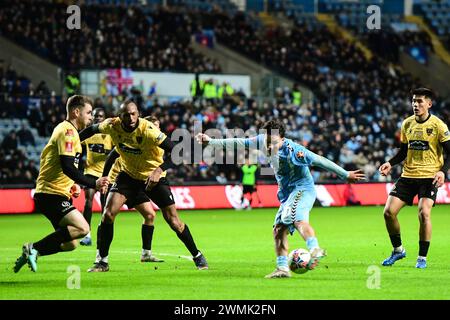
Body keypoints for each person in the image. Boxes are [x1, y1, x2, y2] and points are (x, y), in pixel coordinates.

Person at [196, 119, 365, 278]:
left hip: (302, 188)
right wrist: (211, 141)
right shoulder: (262, 140)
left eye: (274, 142)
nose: (269, 145)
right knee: (278, 229)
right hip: (286, 193)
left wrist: (345, 174)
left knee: (297, 218)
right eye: (268, 141)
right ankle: (283, 268)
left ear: (282, 139)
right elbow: (238, 142)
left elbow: (319, 160)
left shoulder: (294, 151)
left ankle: (315, 249)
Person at [79, 100, 208, 272]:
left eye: (133, 113)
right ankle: (102, 261)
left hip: (153, 178)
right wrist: (71, 139)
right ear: (119, 116)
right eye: (126, 114)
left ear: (138, 113)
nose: (131, 118)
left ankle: (197, 255)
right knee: (108, 213)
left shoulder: (149, 131)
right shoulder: (111, 125)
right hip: (128, 176)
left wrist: (159, 170)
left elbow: (178, 151)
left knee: (173, 221)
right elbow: (90, 132)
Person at [13, 95, 109, 273]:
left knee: (70, 243)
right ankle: (33, 248)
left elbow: (62, 165)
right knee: (82, 227)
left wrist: (72, 184)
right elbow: (67, 166)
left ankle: (33, 252)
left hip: (57, 192)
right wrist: (93, 182)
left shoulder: (70, 132)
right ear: (76, 112)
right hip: (50, 193)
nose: (90, 116)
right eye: (88, 113)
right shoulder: (68, 132)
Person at [379, 88, 450, 269]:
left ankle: (422, 258)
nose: (415, 105)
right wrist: (390, 163)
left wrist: (443, 171)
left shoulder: (438, 126)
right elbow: (404, 151)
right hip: (408, 175)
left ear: (429, 104)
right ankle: (398, 250)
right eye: (413, 101)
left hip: (429, 177)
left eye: (419, 101)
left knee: (424, 213)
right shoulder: (407, 124)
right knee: (388, 212)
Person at [79, 108, 114, 246]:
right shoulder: (88, 134)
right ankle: (86, 234)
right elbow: (76, 145)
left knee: (105, 207)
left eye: (100, 116)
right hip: (90, 173)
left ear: (104, 118)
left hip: (106, 175)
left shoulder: (110, 136)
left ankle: (102, 233)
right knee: (88, 202)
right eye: (95, 116)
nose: (97, 118)